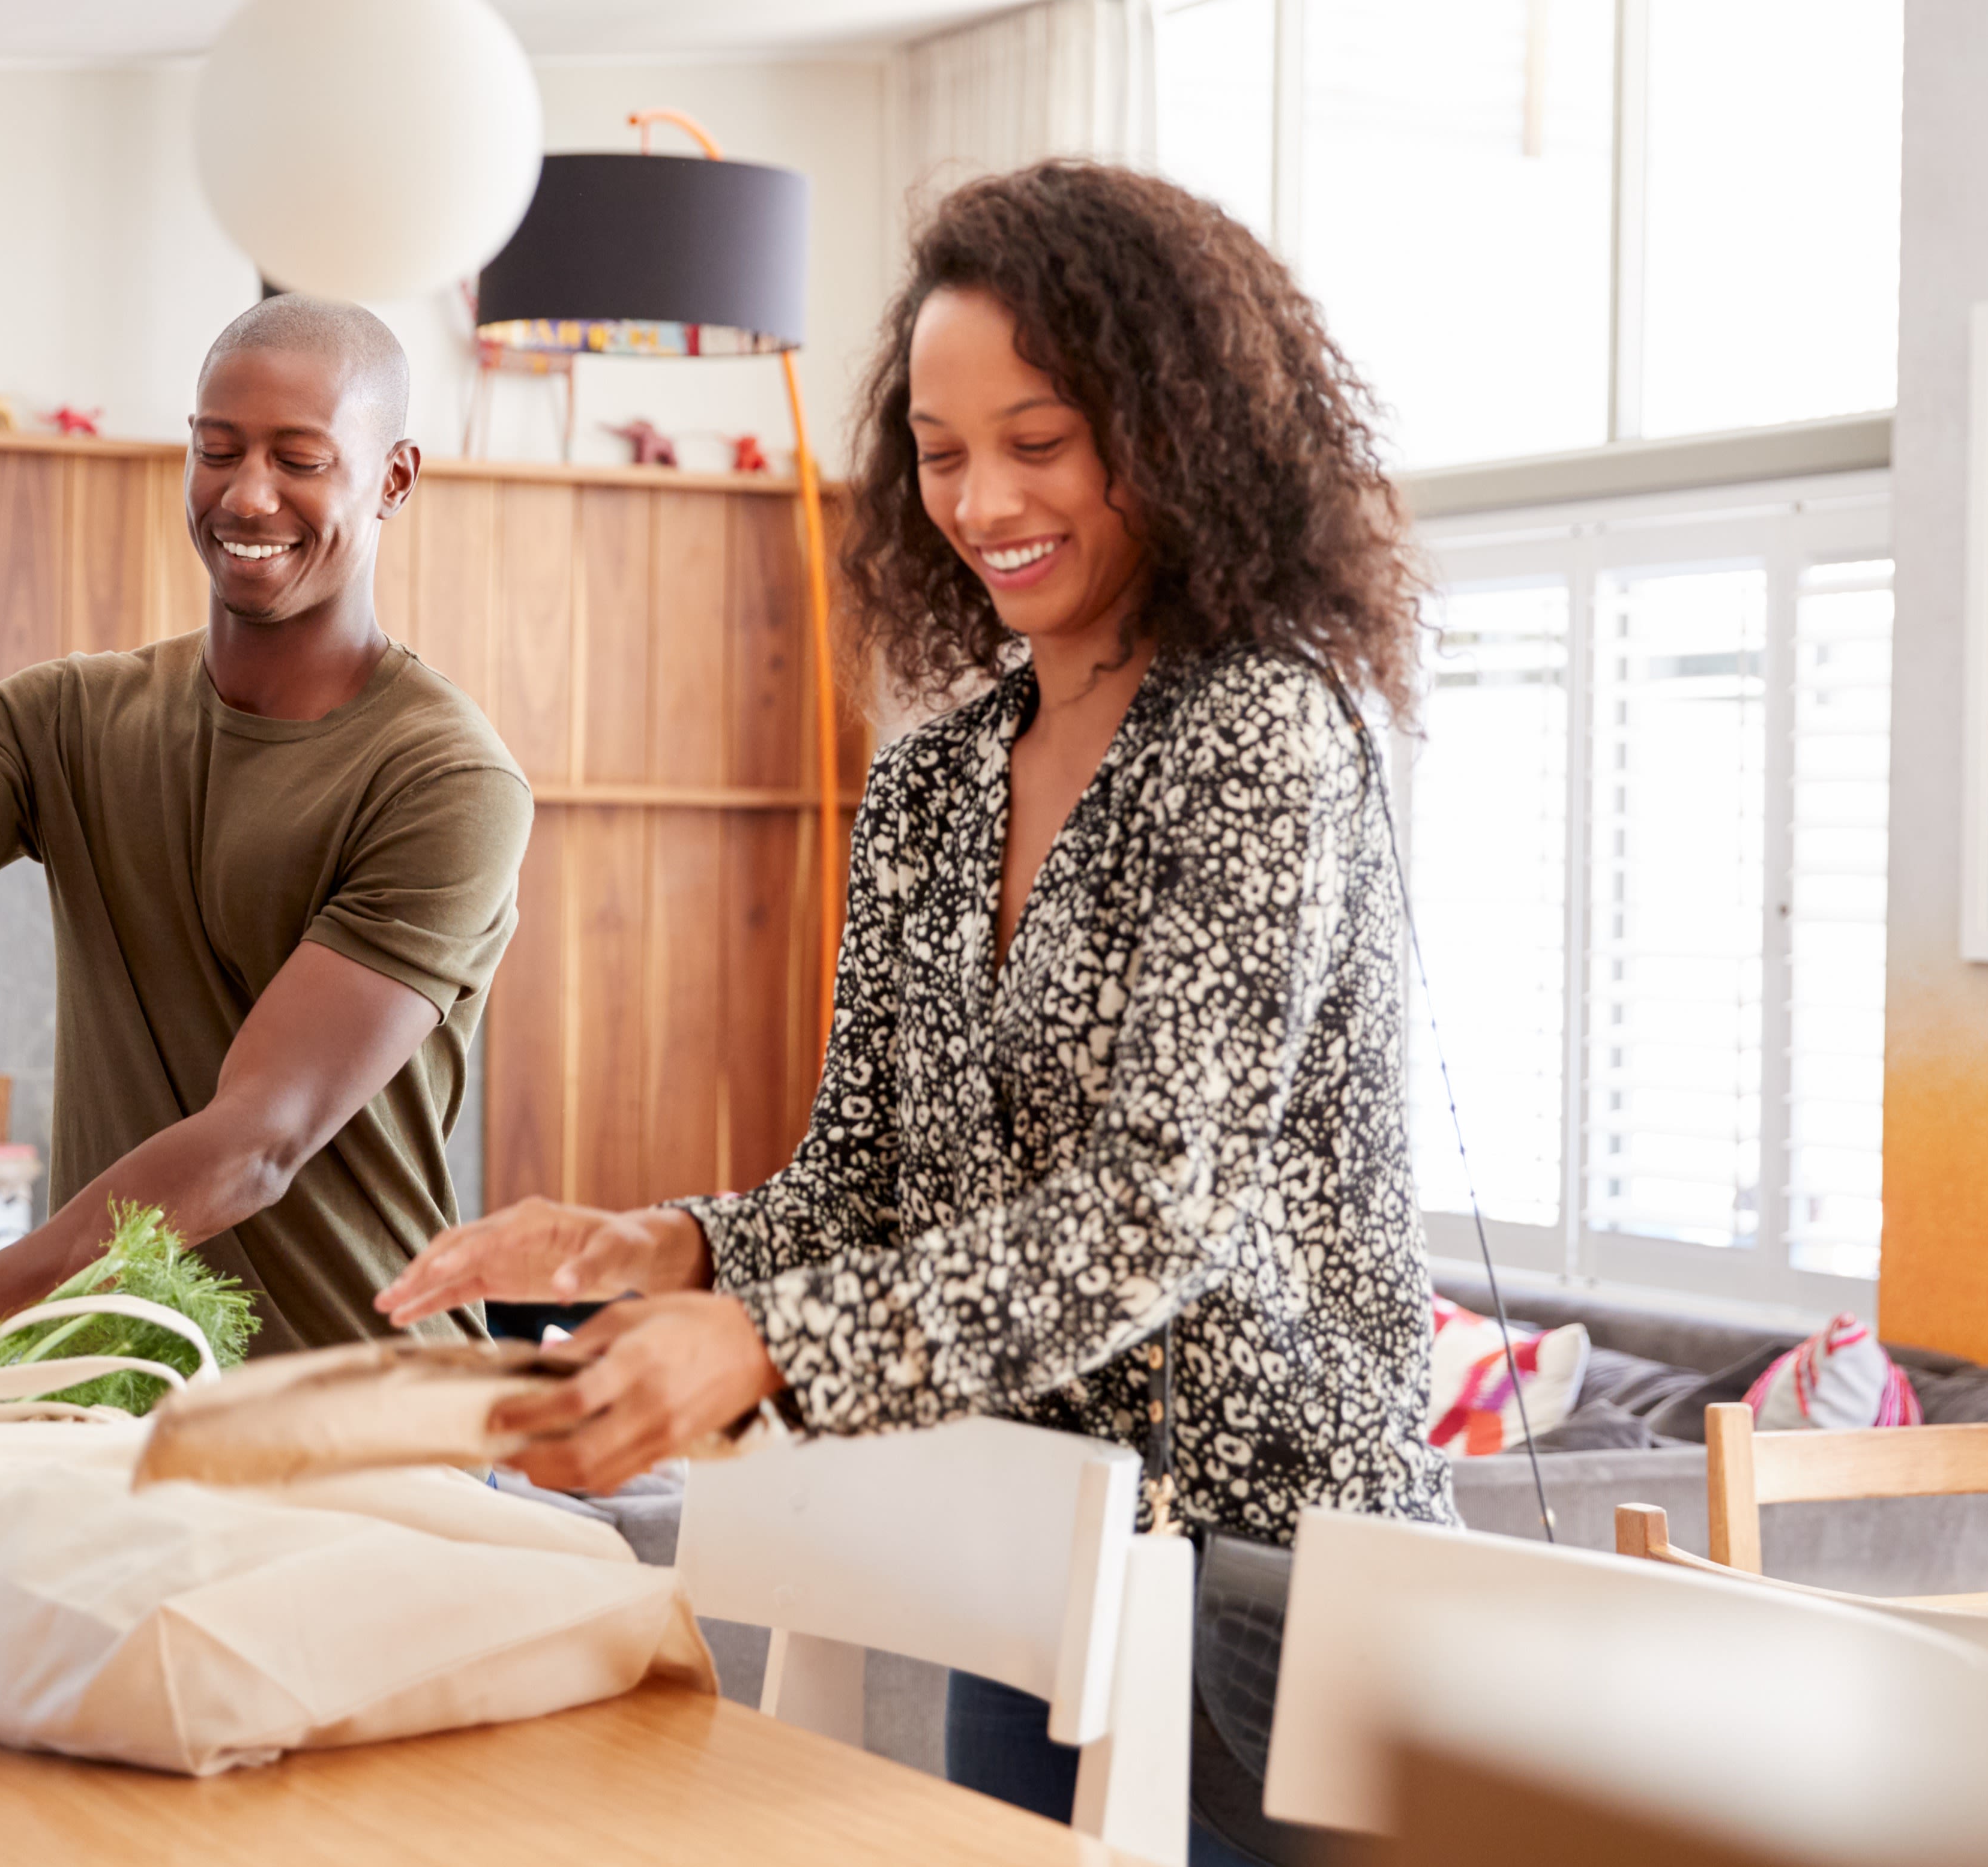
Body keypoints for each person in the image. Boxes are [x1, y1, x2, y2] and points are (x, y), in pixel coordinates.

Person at [375, 163, 1453, 1865]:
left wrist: (768, 1350)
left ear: (1172, 433)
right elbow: (869, 1185)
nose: (980, 499)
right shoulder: (936, 779)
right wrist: (660, 1249)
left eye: (1038, 442)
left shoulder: (1265, 743)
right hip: (1022, 1527)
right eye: (942, 455)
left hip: (1272, 1576)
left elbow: (1139, 1224)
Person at [0, 295, 532, 1423]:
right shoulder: (71, 716)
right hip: (116, 1397)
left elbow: (254, 1143)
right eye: (215, 450)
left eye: (299, 459)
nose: (246, 494)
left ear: (395, 478)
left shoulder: (445, 779)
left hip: (368, 1416)